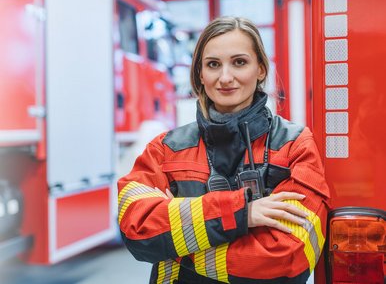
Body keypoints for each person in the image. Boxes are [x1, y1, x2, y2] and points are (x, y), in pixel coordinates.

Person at [118, 16, 330, 284]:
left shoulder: (294, 145)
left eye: (239, 62)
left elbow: (287, 258)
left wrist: (177, 247)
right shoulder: (165, 149)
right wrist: (242, 214)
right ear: (200, 74)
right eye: (213, 65)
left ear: (261, 69)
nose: (225, 77)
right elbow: (137, 230)